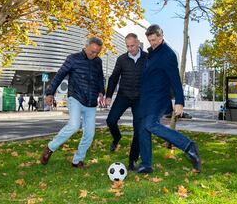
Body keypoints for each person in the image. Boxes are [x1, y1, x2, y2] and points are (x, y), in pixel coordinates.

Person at [136, 24, 201, 174]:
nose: (152, 43)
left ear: (161, 36)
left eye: (154, 39)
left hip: (159, 98)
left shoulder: (167, 54)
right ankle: (146, 164)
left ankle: (189, 146)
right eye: (150, 40)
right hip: (146, 98)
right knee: (142, 129)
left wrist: (179, 101)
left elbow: (175, 80)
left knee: (150, 124)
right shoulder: (151, 53)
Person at [40, 37, 105, 167]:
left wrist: (101, 92)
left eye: (97, 52)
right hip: (75, 98)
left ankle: (77, 160)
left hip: (91, 102)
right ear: (85, 46)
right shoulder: (73, 58)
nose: (94, 55)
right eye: (92, 51)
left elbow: (100, 78)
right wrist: (49, 93)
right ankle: (50, 148)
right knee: (74, 125)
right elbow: (59, 75)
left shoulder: (98, 61)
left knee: (90, 133)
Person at [105, 33, 147, 171]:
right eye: (127, 46)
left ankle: (132, 160)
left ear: (138, 43)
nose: (130, 49)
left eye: (132, 45)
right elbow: (114, 78)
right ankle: (117, 138)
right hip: (123, 95)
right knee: (111, 120)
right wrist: (109, 96)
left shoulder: (147, 58)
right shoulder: (122, 59)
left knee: (139, 129)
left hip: (140, 98)